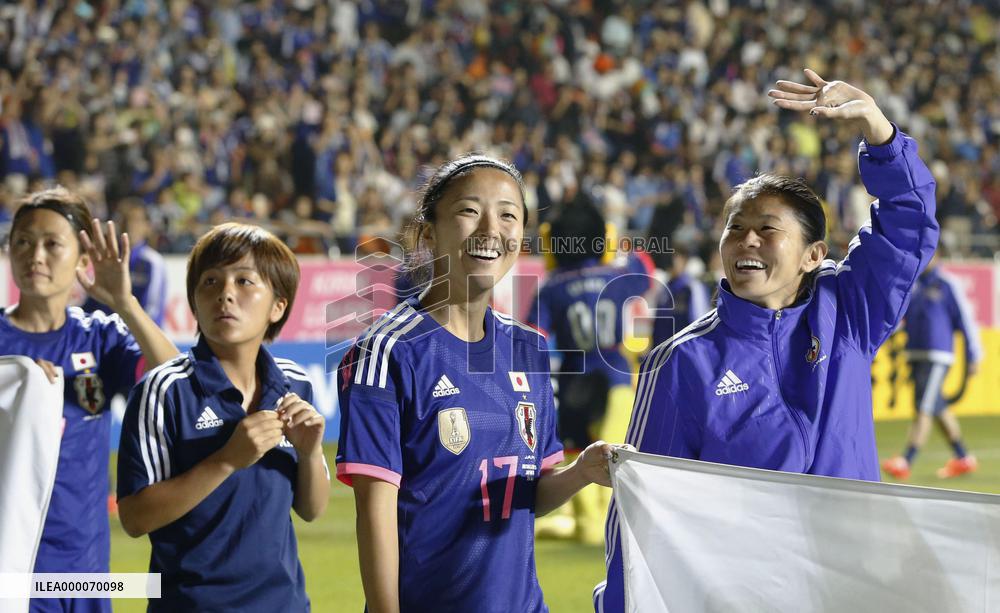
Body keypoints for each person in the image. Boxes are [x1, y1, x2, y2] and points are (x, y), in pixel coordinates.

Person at [595, 70, 938, 612]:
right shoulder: (682, 361)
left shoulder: (848, 313)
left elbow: (909, 227)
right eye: (735, 228)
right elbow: (643, 508)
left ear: (813, 254)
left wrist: (878, 130)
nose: (746, 239)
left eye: (767, 228)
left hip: (850, 589)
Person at [336, 154, 616, 613]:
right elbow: (375, 513)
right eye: (470, 211)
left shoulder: (529, 348)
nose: (491, 229)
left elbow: (527, 496)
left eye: (508, 215)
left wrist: (580, 472)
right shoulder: (384, 353)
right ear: (428, 234)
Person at [116, 223, 330, 611]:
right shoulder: (164, 390)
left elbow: (311, 509)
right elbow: (134, 518)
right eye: (210, 281)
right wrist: (227, 460)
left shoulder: (295, 384)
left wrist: (312, 454)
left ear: (278, 306)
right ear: (195, 303)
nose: (225, 294)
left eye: (245, 281)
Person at [1, 186, 178, 613]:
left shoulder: (99, 337)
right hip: (13, 568)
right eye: (22, 242)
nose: (35, 255)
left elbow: (175, 384)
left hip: (86, 573)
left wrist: (125, 303)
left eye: (51, 244)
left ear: (83, 261)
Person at [527, 203, 654, 544]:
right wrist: (613, 243)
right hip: (616, 377)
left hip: (573, 381)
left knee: (577, 451)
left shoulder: (551, 288)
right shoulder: (619, 276)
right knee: (615, 452)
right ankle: (608, 522)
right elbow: (646, 265)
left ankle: (586, 522)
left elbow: (532, 334)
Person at [881, 253, 982, 480]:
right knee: (936, 407)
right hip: (916, 354)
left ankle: (906, 460)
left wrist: (974, 355)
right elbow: (899, 320)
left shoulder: (946, 285)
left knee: (923, 408)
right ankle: (963, 457)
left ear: (938, 256)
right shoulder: (913, 286)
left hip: (937, 355)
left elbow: (965, 321)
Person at [83, 199, 167, 326]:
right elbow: (93, 303)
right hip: (106, 339)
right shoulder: (107, 258)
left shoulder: (152, 263)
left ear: (148, 227)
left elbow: (152, 312)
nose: (130, 225)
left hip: (138, 339)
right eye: (125, 219)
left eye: (137, 220)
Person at [649, 244, 712, 350]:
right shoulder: (665, 288)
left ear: (684, 261)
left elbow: (700, 323)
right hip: (662, 352)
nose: (670, 263)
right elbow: (658, 324)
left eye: (674, 258)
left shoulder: (692, 288)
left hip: (684, 352)